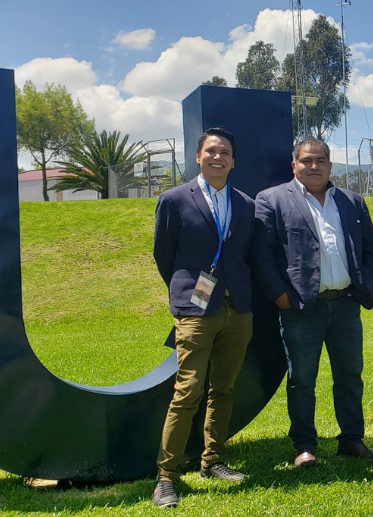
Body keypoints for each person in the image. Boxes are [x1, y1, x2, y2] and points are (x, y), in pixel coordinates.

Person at [254, 138, 373, 466]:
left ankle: (352, 440)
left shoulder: (352, 201)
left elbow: (370, 249)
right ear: (293, 164)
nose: (314, 166)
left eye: (321, 160)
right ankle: (304, 447)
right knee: (302, 380)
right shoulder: (272, 200)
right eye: (307, 160)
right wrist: (279, 294)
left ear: (330, 165)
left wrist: (363, 285)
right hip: (300, 308)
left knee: (351, 375)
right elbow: (262, 254)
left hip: (345, 305)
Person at [152, 127, 256, 508]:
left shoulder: (245, 203)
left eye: (225, 152)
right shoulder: (174, 199)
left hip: (237, 308)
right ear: (198, 157)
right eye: (211, 151)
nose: (218, 157)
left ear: (233, 160)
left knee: (224, 387)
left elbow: (243, 252)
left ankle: (212, 460)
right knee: (188, 390)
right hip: (196, 307)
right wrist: (185, 292)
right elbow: (165, 254)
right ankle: (166, 476)